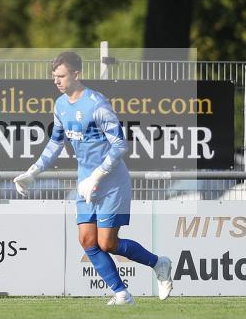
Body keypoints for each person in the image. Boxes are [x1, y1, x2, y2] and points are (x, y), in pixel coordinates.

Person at [13, 51, 173, 305]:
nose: (56, 81)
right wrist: (33, 172)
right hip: (85, 184)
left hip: (111, 183)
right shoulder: (61, 105)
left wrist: (97, 175)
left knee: (107, 243)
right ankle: (121, 293)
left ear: (77, 74)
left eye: (61, 76)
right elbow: (55, 143)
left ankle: (159, 263)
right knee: (87, 239)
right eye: (54, 76)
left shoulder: (97, 104)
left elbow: (120, 145)